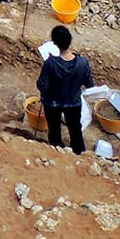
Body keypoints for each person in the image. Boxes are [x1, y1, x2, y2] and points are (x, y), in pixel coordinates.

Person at [36, 24, 94, 154]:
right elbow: (89, 84)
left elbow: (42, 85)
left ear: (55, 44)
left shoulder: (50, 63)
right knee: (75, 128)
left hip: (52, 102)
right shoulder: (83, 63)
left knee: (54, 128)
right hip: (73, 102)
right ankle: (79, 152)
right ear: (69, 41)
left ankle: (57, 151)